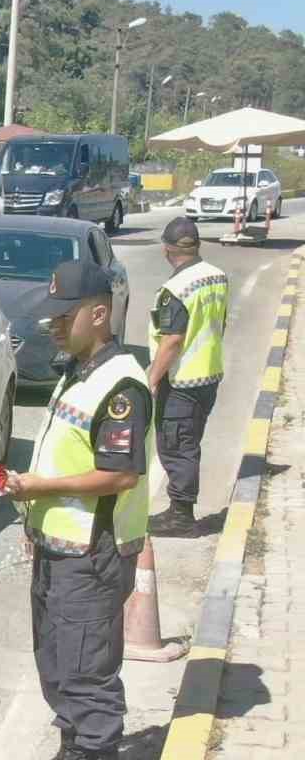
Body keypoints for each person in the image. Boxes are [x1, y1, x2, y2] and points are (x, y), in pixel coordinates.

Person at [3, 260, 151, 760]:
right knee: (56, 657)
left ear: (99, 312)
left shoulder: (121, 384)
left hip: (93, 551)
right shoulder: (80, 371)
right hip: (57, 543)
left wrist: (38, 488)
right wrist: (34, 514)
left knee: (88, 668)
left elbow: (119, 475)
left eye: (63, 318)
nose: (53, 328)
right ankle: (72, 756)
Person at [146, 217, 228, 538]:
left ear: (166, 249)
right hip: (209, 375)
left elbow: (173, 340)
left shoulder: (175, 289)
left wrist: (152, 378)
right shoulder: (217, 276)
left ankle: (181, 517)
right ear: (197, 246)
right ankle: (179, 508)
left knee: (177, 445)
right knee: (188, 442)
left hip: (182, 381)